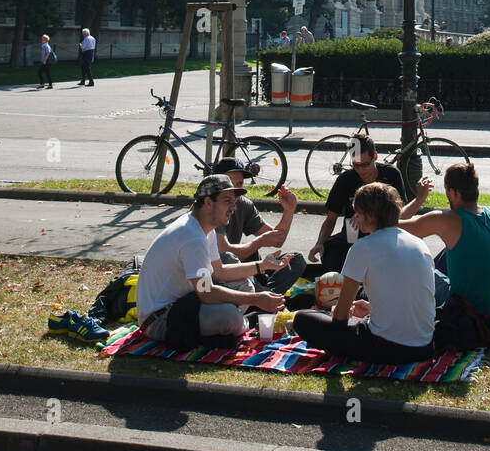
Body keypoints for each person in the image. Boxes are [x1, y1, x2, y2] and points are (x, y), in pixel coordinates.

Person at [136, 174, 286, 349]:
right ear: (208, 202)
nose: (233, 208)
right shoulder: (192, 236)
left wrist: (262, 266)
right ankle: (241, 323)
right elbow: (206, 292)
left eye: (234, 201)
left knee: (244, 286)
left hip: (185, 302)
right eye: (227, 201)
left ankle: (233, 324)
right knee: (229, 316)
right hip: (160, 320)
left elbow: (219, 272)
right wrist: (256, 300)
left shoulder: (206, 230)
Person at [294, 182, 435, 363]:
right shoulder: (418, 243)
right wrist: (372, 312)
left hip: (387, 348)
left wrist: (338, 314)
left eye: (358, 213)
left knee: (303, 319)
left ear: (369, 215)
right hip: (425, 347)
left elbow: (341, 316)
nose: (356, 218)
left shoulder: (364, 246)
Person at [399, 161, 490, 318]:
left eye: (447, 191)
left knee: (416, 267)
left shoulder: (449, 220)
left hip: (470, 316)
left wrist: (420, 198)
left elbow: (393, 226)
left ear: (454, 193)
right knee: (452, 250)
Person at [307, 134, 405, 274]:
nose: (361, 170)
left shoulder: (391, 174)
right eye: (356, 165)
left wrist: (366, 217)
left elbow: (400, 213)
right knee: (330, 251)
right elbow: (330, 218)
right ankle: (339, 287)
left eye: (365, 165)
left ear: (375, 157)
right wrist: (319, 243)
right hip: (351, 237)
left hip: (383, 234)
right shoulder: (345, 179)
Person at [215, 159, 306, 296]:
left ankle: (262, 295)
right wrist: (258, 243)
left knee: (296, 260)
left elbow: (277, 239)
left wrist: (288, 210)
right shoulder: (210, 209)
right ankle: (263, 296)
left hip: (241, 269)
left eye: (239, 185)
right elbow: (224, 254)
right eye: (229, 185)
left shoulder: (243, 204)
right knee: (230, 257)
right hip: (218, 273)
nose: (235, 192)